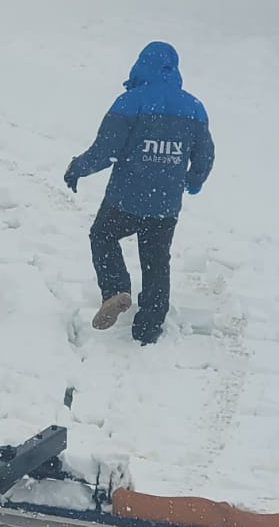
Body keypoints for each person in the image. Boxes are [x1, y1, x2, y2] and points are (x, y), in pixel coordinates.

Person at [64, 42, 214, 345]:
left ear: (141, 65)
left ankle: (116, 288)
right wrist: (194, 181)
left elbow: (105, 150)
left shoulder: (131, 102)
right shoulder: (194, 108)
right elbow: (205, 154)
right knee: (156, 261)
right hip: (165, 205)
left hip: (126, 199)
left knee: (102, 236)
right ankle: (148, 327)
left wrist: (77, 168)